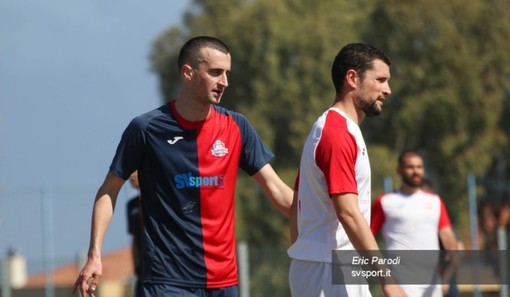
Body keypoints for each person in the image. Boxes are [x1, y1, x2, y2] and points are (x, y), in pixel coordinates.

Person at [72, 36, 293, 297]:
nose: (225, 82)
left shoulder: (237, 127)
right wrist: (94, 254)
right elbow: (108, 191)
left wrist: (330, 218)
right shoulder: (146, 129)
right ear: (188, 73)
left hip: (224, 283)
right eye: (215, 72)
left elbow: (277, 190)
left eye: (227, 73)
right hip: (167, 283)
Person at [288, 43, 405, 297]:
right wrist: (387, 280)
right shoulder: (336, 133)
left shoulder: (337, 129)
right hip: (328, 269)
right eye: (381, 80)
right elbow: (348, 213)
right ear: (352, 78)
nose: (388, 90)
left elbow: (296, 202)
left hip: (332, 266)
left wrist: (304, 251)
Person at [371, 150, 459, 297]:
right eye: (410, 167)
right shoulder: (385, 202)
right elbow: (366, 236)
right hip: (400, 281)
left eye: (419, 167)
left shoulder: (435, 201)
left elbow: (447, 236)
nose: (415, 171)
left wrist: (449, 265)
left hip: (432, 282)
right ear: (399, 170)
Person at [126, 171, 143, 297]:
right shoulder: (131, 205)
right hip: (142, 273)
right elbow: (134, 239)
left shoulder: (162, 201)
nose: (131, 175)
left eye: (135, 171)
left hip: (164, 271)